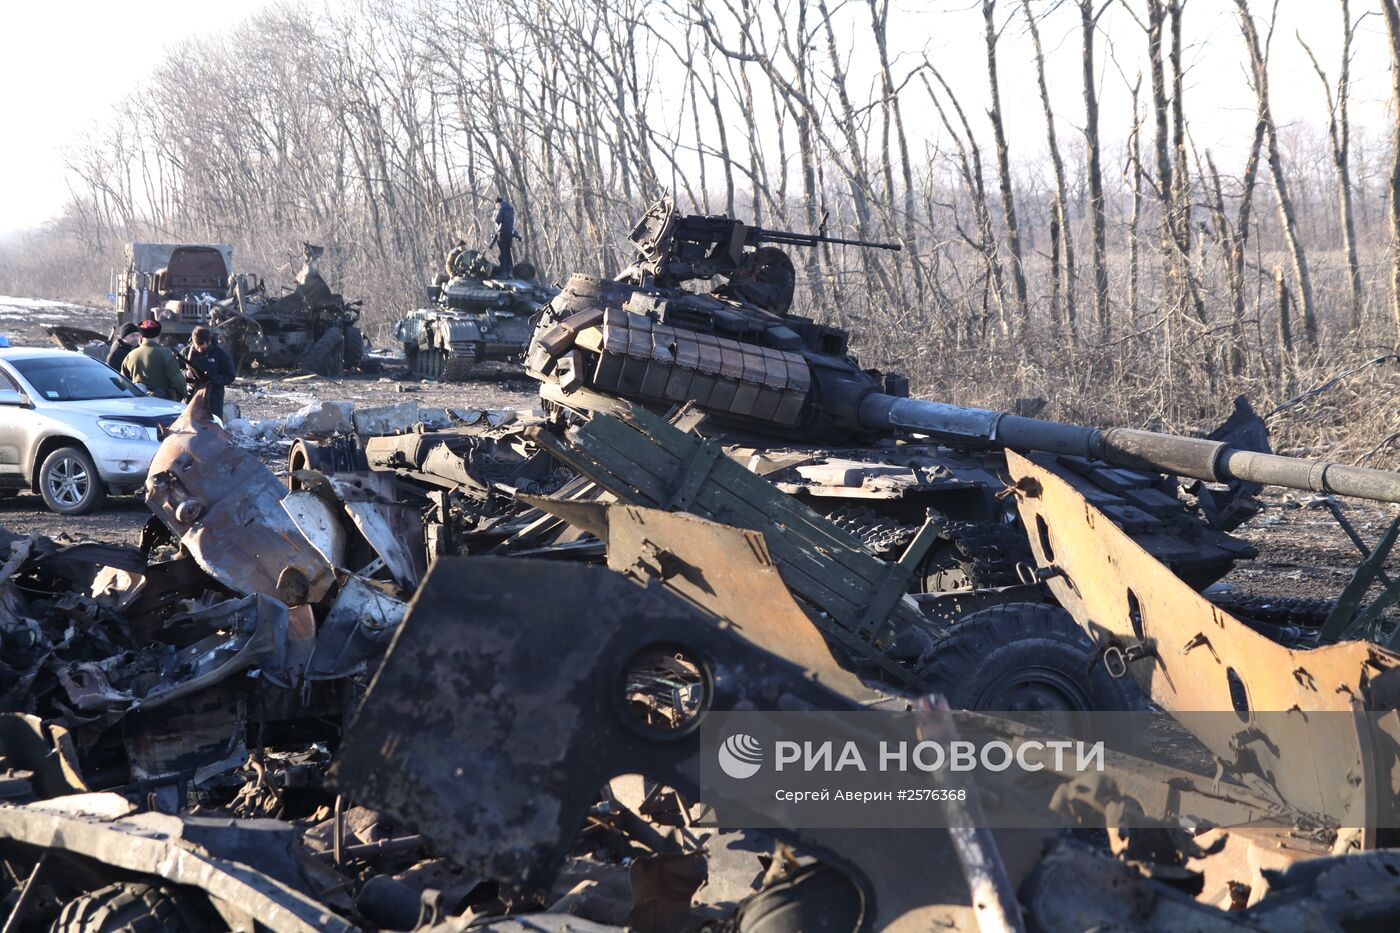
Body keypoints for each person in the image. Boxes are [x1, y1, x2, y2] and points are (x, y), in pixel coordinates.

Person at [120, 320, 187, 401]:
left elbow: (123, 383)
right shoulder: (166, 354)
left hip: (138, 405)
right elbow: (178, 382)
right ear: (159, 336)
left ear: (140, 337)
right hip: (163, 404)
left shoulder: (130, 355)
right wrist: (183, 395)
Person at [183, 325, 236, 417]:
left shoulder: (219, 354)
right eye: (197, 347)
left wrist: (211, 378)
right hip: (191, 398)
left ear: (209, 342)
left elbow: (230, 376)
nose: (200, 350)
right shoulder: (186, 352)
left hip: (213, 400)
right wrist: (186, 374)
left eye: (202, 348)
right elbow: (175, 371)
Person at [492, 196, 516, 277]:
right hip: (509, 232)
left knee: (503, 253)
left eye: (495, 205)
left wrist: (494, 216)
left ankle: (504, 272)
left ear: (497, 203)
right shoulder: (510, 208)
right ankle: (510, 271)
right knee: (508, 251)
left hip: (502, 233)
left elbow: (498, 220)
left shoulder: (501, 209)